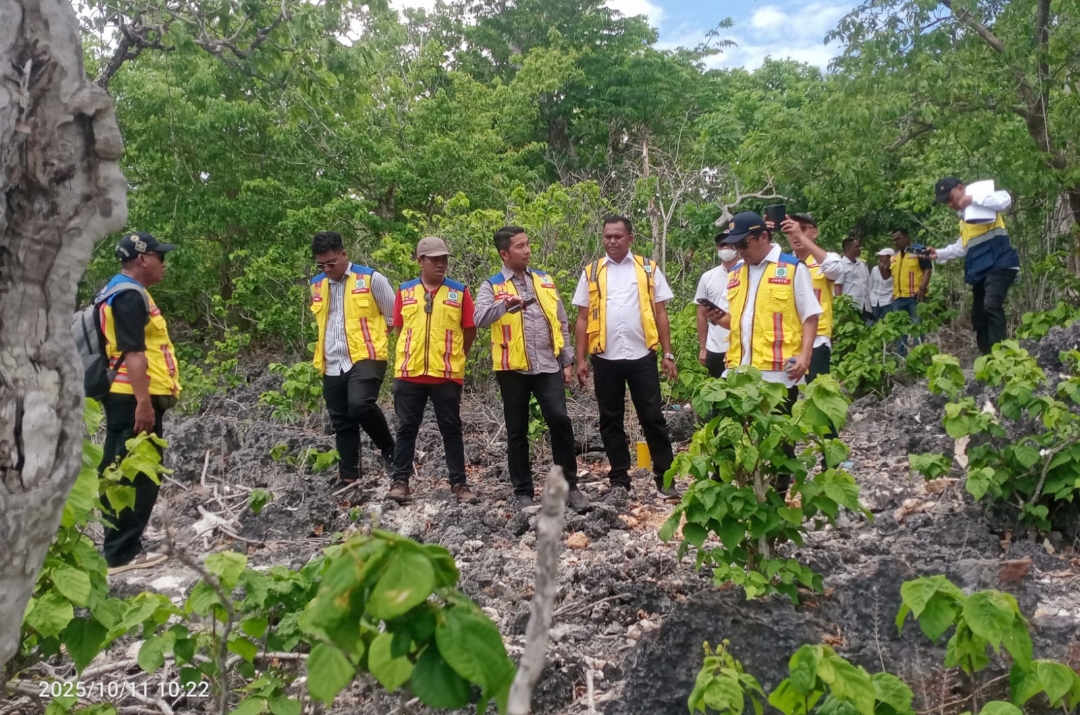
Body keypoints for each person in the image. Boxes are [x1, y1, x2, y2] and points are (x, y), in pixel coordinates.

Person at [474, 226, 590, 513]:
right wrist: (504, 305)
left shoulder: (544, 280)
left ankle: (569, 487)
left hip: (548, 364)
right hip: (512, 368)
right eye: (520, 246)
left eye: (528, 244)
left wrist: (567, 360)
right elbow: (479, 318)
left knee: (560, 421)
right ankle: (523, 491)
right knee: (517, 430)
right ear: (504, 253)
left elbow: (560, 320)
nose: (527, 250)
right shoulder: (492, 286)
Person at [711, 212, 821, 493]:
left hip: (779, 374)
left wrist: (806, 357)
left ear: (763, 237)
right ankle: (747, 497)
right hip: (739, 373)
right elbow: (736, 319)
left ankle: (777, 501)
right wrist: (718, 317)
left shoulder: (792, 269)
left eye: (744, 245)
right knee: (739, 438)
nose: (739, 252)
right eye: (735, 247)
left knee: (780, 443)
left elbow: (810, 315)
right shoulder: (736, 274)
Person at [572, 215, 679, 501]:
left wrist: (668, 354)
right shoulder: (592, 271)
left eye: (618, 236)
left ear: (630, 238)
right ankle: (619, 478)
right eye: (607, 236)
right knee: (610, 419)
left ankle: (665, 478)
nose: (612, 241)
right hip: (605, 357)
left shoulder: (647, 269)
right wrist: (580, 359)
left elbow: (660, 313)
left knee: (653, 417)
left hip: (642, 355)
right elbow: (582, 317)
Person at [97, 232, 181, 575]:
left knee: (120, 465)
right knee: (139, 473)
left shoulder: (116, 290)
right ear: (143, 259)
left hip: (123, 394)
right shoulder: (130, 296)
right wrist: (143, 404)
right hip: (130, 396)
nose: (164, 263)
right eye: (160, 257)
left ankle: (120, 547)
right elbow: (133, 353)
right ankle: (122, 553)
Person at [388, 237, 479, 504]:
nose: (441, 264)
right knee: (406, 427)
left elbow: (469, 329)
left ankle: (459, 484)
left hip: (446, 373)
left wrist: (457, 355)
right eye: (434, 259)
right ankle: (400, 482)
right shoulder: (404, 292)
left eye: (444, 259)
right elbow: (398, 328)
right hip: (409, 373)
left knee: (451, 428)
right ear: (420, 261)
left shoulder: (459, 291)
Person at [309, 232, 397, 489]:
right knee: (341, 420)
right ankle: (349, 476)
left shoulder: (371, 279)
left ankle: (388, 448)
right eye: (321, 265)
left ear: (344, 255)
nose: (326, 269)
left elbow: (393, 316)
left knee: (360, 405)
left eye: (331, 263)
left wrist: (375, 339)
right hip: (331, 359)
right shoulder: (317, 285)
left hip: (367, 355)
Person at [927, 177, 1020, 354]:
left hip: (1000, 263)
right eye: (945, 202)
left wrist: (974, 199)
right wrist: (938, 253)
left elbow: (1005, 199)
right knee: (978, 317)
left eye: (949, 198)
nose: (949, 204)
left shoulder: (983, 201)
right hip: (980, 270)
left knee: (991, 305)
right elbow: (963, 246)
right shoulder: (965, 220)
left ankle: (1001, 357)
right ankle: (987, 357)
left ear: (961, 188)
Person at [780, 213, 845, 384]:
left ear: (814, 233)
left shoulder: (824, 261)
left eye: (802, 229)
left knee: (817, 392)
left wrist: (802, 237)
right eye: (790, 230)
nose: (795, 234)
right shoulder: (784, 265)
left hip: (817, 339)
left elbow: (835, 269)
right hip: (790, 340)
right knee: (790, 393)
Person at [695, 232, 739, 378]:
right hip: (715, 344)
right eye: (722, 245)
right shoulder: (708, 277)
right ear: (717, 249)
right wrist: (703, 347)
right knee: (717, 391)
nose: (726, 248)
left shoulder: (748, 272)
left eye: (730, 244)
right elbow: (701, 314)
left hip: (741, 345)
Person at [890, 228, 932, 355]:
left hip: (915, 296)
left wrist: (922, 289)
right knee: (899, 328)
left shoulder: (918, 250)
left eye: (899, 238)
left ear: (907, 237)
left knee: (917, 327)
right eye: (894, 240)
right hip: (898, 298)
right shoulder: (894, 257)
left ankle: (918, 355)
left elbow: (927, 270)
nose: (896, 242)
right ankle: (901, 356)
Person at [835, 236, 871, 317]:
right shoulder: (841, 264)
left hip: (865, 305)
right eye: (857, 246)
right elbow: (837, 286)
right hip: (851, 306)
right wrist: (840, 306)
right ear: (848, 249)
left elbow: (867, 283)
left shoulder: (862, 264)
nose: (860, 248)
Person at [868, 248, 895, 323]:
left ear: (889, 257)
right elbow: (871, 285)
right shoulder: (875, 269)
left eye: (882, 256)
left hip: (887, 301)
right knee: (871, 323)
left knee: (887, 323)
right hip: (874, 301)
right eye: (879, 257)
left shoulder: (894, 269)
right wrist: (869, 298)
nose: (880, 259)